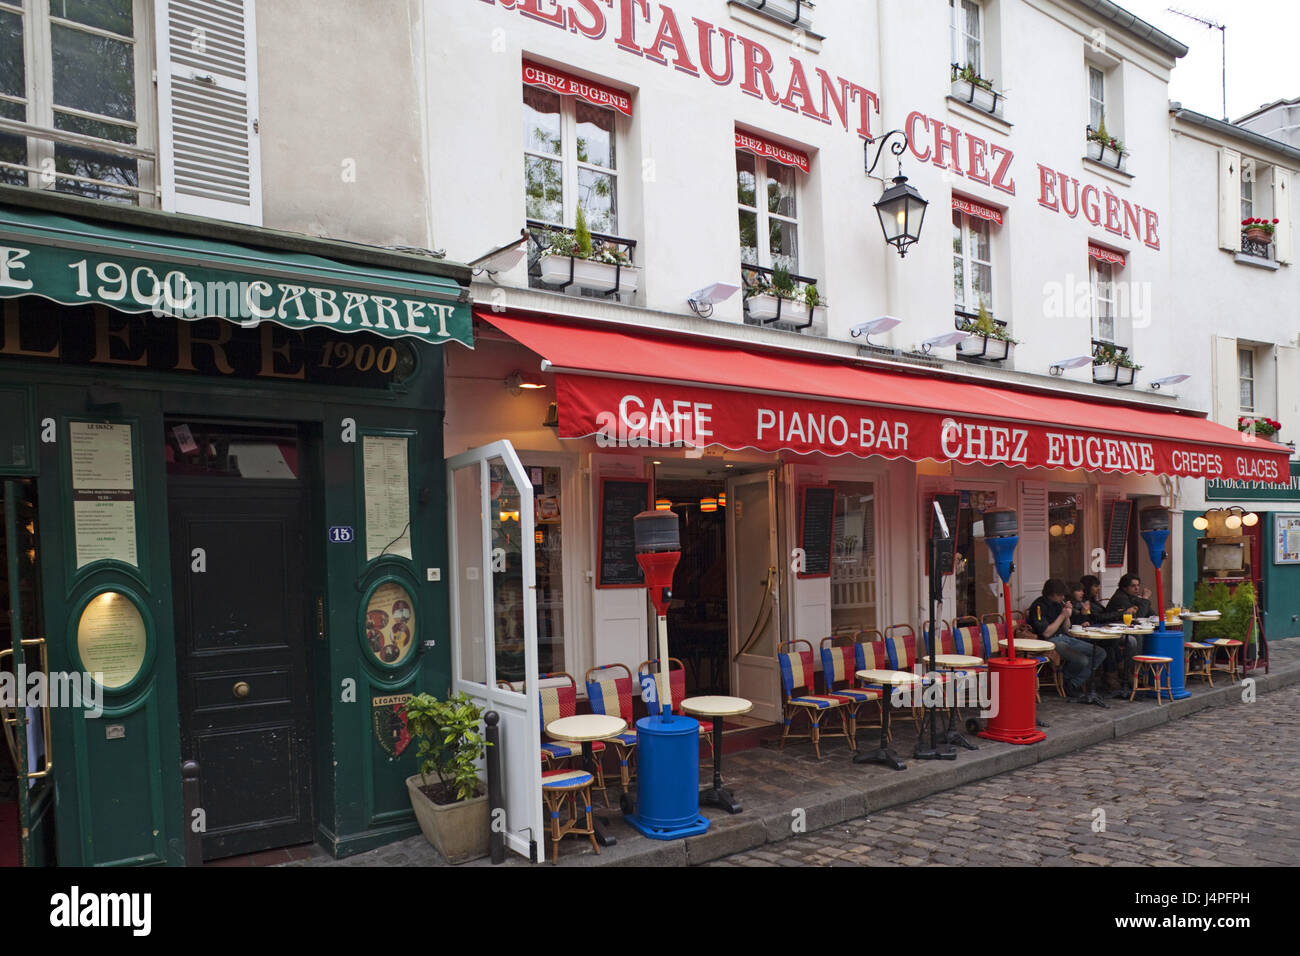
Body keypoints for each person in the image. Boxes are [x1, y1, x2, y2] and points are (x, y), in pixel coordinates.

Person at [1026, 578, 1102, 698]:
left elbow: (1067, 629)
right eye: (1061, 595)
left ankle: (1073, 682)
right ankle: (1067, 681)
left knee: (1099, 652)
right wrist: (1062, 616)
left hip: (1064, 637)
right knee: (1082, 660)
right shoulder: (1039, 606)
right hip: (1049, 641)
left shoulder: (1058, 604)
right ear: (1053, 594)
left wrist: (1067, 615)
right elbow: (1046, 633)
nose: (1063, 598)